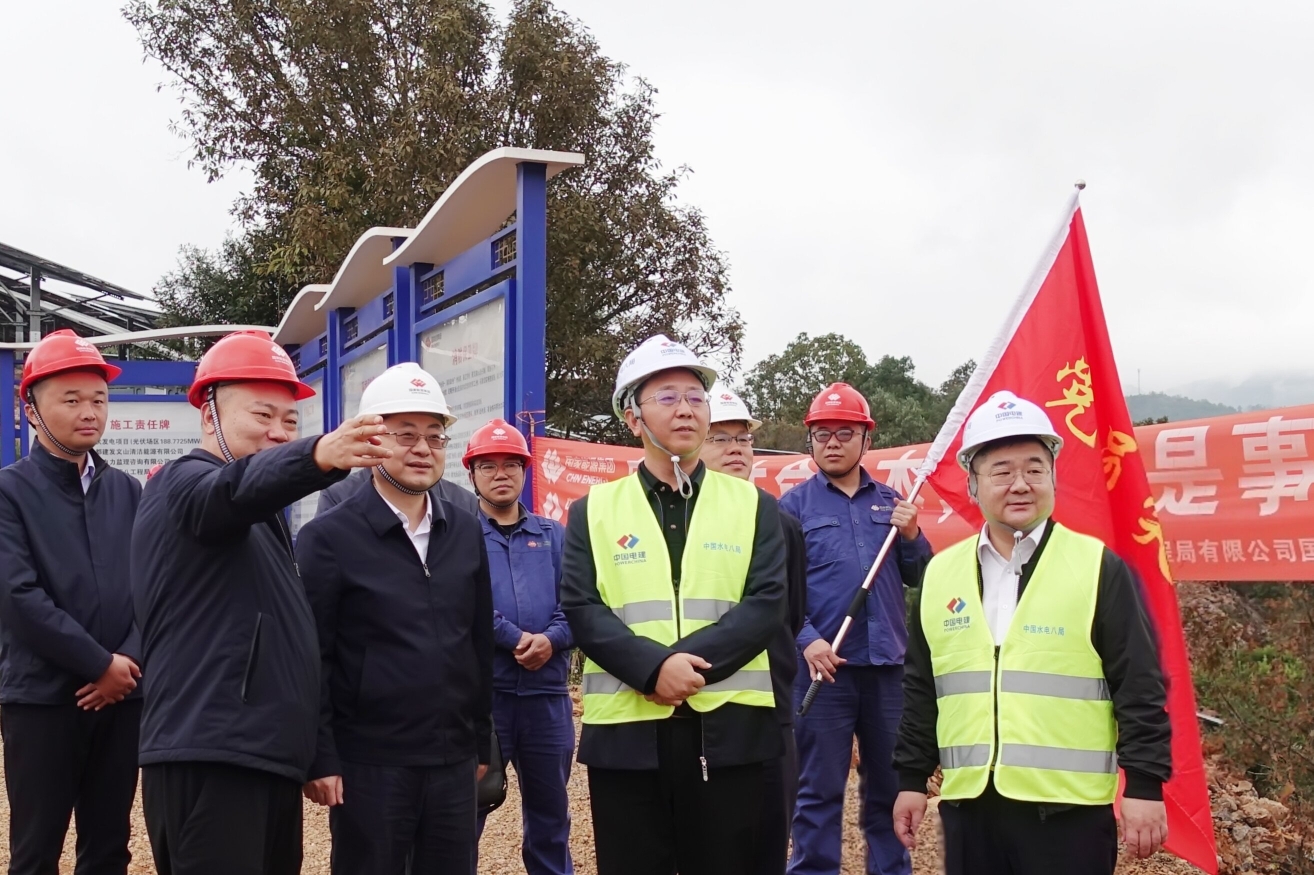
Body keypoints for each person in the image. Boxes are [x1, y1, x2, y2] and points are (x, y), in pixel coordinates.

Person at [131, 329, 392, 875]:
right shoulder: (181, 483)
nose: (279, 432)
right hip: (211, 755)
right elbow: (229, 491)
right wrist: (316, 455)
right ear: (209, 414)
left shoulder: (264, 521)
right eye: (262, 415)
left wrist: (314, 752)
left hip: (264, 759)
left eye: (291, 421)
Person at [891, 390, 1171, 874]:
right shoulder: (940, 574)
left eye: (1035, 470)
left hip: (1068, 815)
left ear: (1053, 477)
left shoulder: (1097, 567)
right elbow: (922, 686)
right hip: (971, 810)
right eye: (1001, 472)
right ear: (973, 484)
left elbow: (1139, 683)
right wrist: (911, 778)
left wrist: (1144, 784)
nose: (1020, 484)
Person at [561, 335, 787, 875]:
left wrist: (686, 668)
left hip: (729, 733)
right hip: (628, 735)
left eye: (695, 397)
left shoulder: (755, 506)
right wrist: (653, 668)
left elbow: (766, 603)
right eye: (667, 397)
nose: (686, 409)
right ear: (632, 418)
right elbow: (581, 606)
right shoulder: (593, 510)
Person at [296, 362, 494, 874]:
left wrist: (479, 740)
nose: (423, 448)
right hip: (370, 762)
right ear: (371, 443)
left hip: (453, 759)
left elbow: (476, 642)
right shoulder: (328, 538)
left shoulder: (465, 531)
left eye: (435, 436)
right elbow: (313, 656)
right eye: (405, 435)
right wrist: (321, 756)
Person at [0, 330, 142, 875]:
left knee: (109, 846)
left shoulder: (128, 491)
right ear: (31, 409)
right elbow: (18, 597)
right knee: (36, 849)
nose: (90, 412)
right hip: (43, 699)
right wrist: (98, 663)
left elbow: (153, 587)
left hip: (122, 697)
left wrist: (127, 663)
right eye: (72, 399)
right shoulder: (9, 492)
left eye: (99, 399)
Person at [781, 382, 931, 875]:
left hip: (887, 669)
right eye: (822, 433)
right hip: (823, 671)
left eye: (845, 432)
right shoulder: (792, 508)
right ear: (810, 440)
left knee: (889, 788)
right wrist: (808, 641)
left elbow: (920, 576)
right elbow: (777, 591)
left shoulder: (892, 502)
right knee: (817, 789)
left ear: (867, 439)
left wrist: (912, 535)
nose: (833, 442)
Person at [698, 384, 808, 875]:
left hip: (768, 707)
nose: (736, 449)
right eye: (721, 439)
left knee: (765, 841)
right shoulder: (681, 521)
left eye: (743, 439)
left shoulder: (781, 523)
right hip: (695, 704)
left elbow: (791, 613)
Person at [467, 419, 574, 875]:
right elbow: (461, 602)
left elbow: (579, 602)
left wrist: (551, 639)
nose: (501, 474)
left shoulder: (553, 535)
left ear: (525, 471)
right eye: (488, 466)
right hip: (484, 701)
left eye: (511, 464)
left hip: (546, 699)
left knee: (551, 819)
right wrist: (514, 638)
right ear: (472, 474)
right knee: (465, 815)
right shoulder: (460, 535)